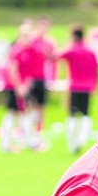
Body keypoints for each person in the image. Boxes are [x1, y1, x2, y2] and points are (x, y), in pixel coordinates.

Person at [57, 23, 98, 155]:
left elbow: (56, 56)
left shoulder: (72, 50)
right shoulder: (91, 51)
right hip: (87, 88)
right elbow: (96, 68)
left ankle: (72, 143)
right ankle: (82, 140)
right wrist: (95, 85)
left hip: (75, 87)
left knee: (72, 116)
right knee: (86, 115)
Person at [0, 23, 35, 153]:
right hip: (14, 86)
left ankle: (27, 141)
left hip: (23, 86)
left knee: (26, 111)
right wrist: (19, 86)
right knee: (12, 113)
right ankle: (5, 144)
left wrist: (27, 83)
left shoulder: (29, 50)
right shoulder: (16, 50)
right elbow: (12, 70)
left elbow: (30, 70)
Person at [25, 16, 57, 150]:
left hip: (42, 78)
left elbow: (54, 58)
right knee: (29, 107)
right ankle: (28, 135)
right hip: (31, 78)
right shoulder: (32, 41)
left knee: (41, 108)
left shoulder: (49, 42)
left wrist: (48, 53)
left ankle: (38, 135)